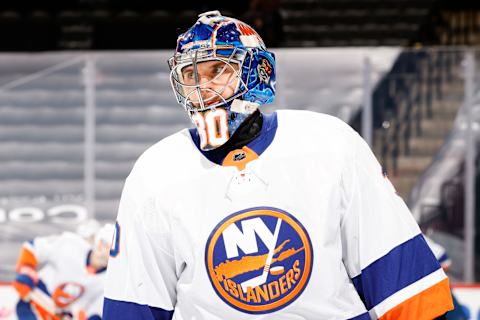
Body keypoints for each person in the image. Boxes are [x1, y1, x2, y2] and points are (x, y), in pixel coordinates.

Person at [103, 10, 453, 320]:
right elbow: (135, 305)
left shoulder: (329, 144)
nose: (203, 89)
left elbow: (406, 290)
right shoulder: (156, 172)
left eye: (218, 70)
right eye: (191, 76)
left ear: (258, 71)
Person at [13, 222, 113, 320]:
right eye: (102, 242)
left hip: (62, 314)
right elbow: (33, 247)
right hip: (34, 301)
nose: (103, 249)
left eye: (109, 246)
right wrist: (26, 271)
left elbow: (96, 311)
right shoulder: (70, 243)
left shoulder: (110, 281)